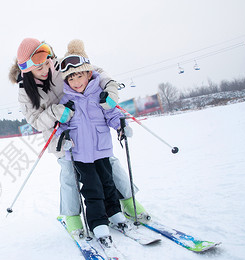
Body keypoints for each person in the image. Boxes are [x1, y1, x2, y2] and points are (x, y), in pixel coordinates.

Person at [8, 38, 148, 234]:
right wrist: (56, 112)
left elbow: (96, 72)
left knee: (110, 164)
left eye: (46, 62)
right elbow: (36, 121)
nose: (44, 69)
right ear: (26, 68)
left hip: (88, 127)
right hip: (61, 136)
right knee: (69, 172)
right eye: (38, 67)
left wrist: (110, 87)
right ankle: (72, 216)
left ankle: (129, 201)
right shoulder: (25, 91)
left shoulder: (62, 65)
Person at [57, 39, 131, 246]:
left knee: (108, 183)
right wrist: (63, 139)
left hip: (102, 149)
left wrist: (120, 126)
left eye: (79, 76)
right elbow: (61, 125)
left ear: (88, 74)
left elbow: (112, 114)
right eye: (71, 79)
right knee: (92, 188)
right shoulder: (66, 101)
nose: (76, 82)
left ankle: (114, 213)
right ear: (67, 82)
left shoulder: (99, 94)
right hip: (80, 154)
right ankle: (98, 223)